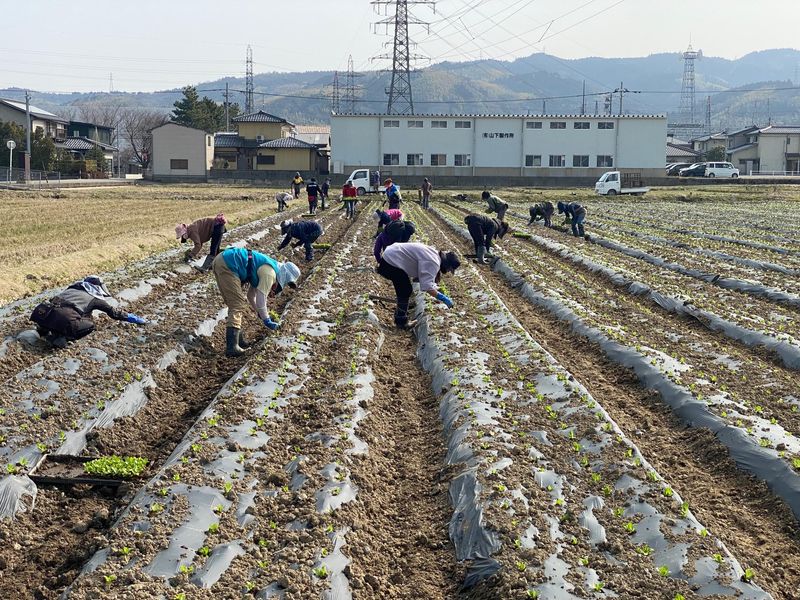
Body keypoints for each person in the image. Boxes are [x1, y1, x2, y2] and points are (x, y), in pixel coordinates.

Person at [212, 248, 301, 357]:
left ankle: (237, 340)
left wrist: (258, 311)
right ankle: (232, 347)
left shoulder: (268, 268)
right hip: (228, 264)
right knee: (237, 304)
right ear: (284, 277)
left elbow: (251, 295)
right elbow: (261, 298)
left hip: (224, 260)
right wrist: (266, 320)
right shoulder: (270, 274)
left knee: (236, 303)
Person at [29, 276, 147, 348]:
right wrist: (133, 318)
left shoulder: (72, 287)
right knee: (90, 325)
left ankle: (43, 330)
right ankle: (62, 338)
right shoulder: (95, 298)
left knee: (60, 314)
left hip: (42, 313)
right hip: (64, 318)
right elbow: (114, 313)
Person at [376, 242, 460, 329]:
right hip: (392, 260)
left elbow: (421, 277)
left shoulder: (434, 254)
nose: (448, 271)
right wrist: (443, 298)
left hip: (391, 253)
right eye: (449, 269)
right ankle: (401, 322)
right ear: (447, 264)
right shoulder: (433, 262)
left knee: (404, 288)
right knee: (405, 290)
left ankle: (400, 315)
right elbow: (426, 286)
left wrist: (435, 287)